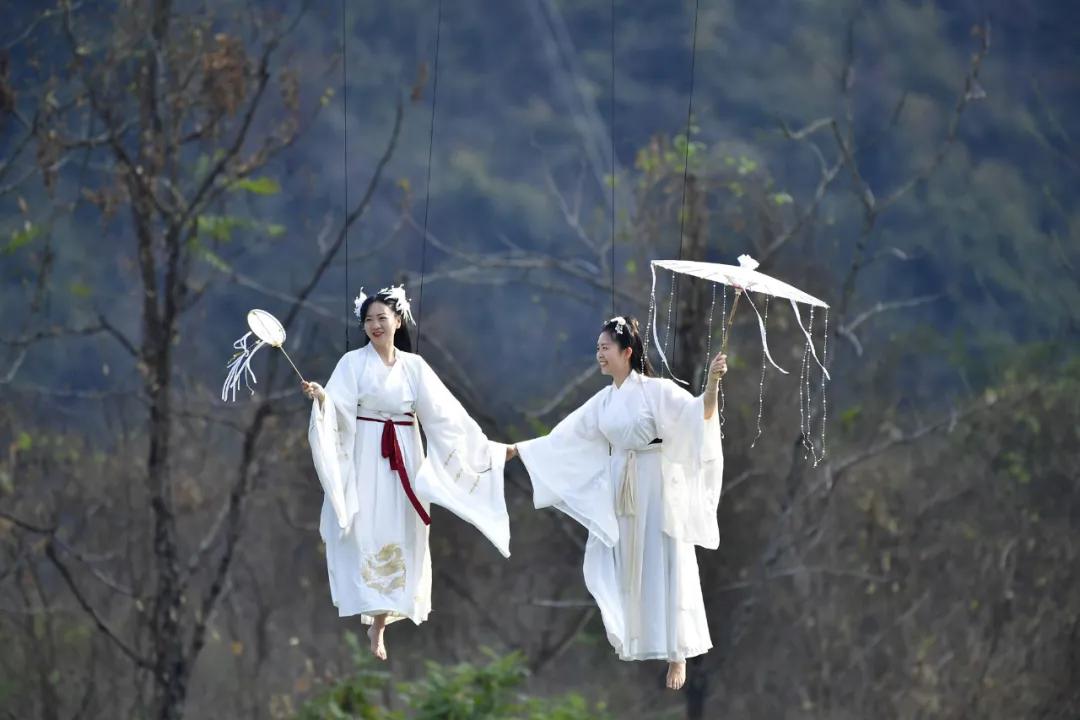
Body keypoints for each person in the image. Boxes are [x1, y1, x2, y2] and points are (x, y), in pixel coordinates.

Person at [511, 315, 726, 690]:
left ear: (627, 352)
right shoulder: (605, 400)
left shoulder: (656, 391)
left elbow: (697, 417)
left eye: (605, 348)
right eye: (597, 349)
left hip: (655, 484)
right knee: (625, 561)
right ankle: (634, 632)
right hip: (621, 486)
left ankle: (678, 652)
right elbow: (567, 435)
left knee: (667, 556)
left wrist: (711, 384)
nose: (599, 355)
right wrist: (519, 450)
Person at [302, 285, 514, 660]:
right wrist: (321, 398)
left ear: (398, 321)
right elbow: (336, 408)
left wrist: (483, 450)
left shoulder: (414, 368)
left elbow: (446, 417)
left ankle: (380, 626)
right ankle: (373, 617)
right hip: (368, 456)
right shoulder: (352, 363)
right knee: (366, 529)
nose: (375, 325)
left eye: (382, 318)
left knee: (401, 532)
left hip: (405, 460)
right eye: (368, 320)